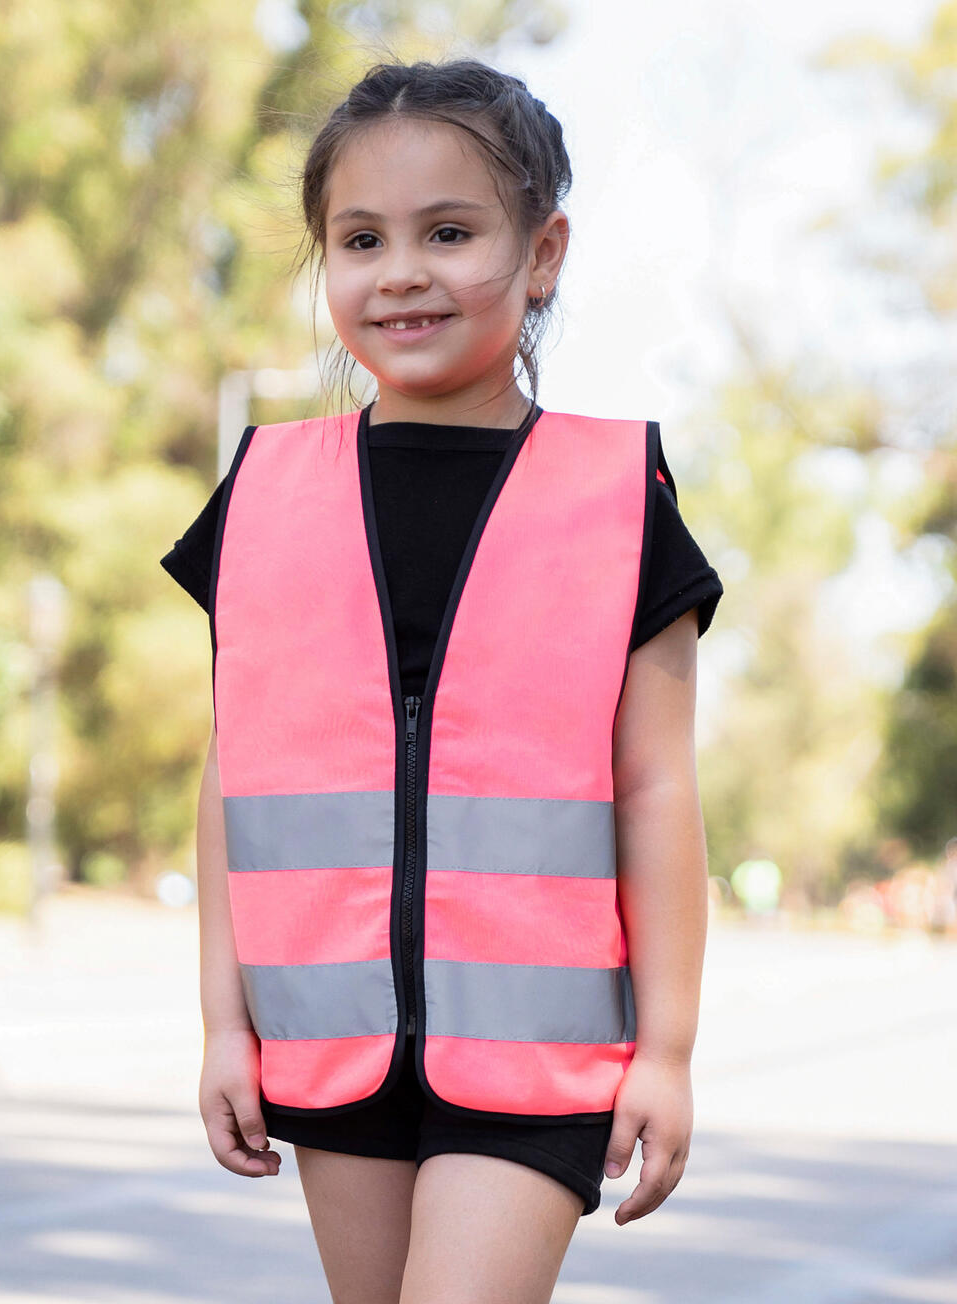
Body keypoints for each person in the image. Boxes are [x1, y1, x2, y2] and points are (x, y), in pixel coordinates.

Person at [161, 57, 722, 1304]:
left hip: (541, 1063)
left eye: (450, 231)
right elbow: (234, 781)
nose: (400, 270)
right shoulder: (261, 495)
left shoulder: (619, 502)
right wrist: (223, 1023)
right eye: (360, 238)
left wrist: (668, 1050)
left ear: (542, 254)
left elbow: (656, 792)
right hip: (330, 1045)